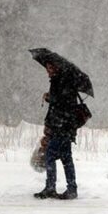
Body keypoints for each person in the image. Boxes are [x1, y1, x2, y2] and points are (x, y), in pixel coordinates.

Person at [34, 62, 79, 200]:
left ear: (56, 68)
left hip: (61, 126)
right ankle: (71, 189)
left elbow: (62, 103)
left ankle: (50, 187)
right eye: (47, 68)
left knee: (50, 155)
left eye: (50, 68)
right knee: (66, 158)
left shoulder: (61, 81)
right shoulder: (64, 81)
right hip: (66, 127)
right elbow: (64, 102)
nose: (48, 71)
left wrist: (50, 97)